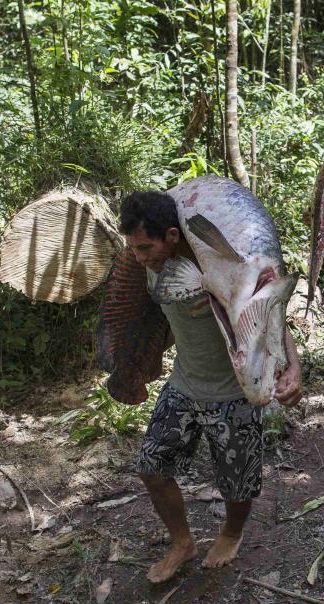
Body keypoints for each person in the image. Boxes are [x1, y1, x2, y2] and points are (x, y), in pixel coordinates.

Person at [119, 191, 303, 583]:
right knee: (152, 468)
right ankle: (182, 542)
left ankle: (232, 532)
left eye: (145, 247)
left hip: (233, 393)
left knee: (237, 481)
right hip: (185, 384)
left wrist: (293, 369)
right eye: (133, 249)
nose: (140, 257)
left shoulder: (221, 261)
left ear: (171, 235)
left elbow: (270, 312)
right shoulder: (154, 263)